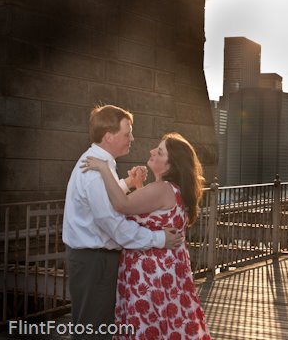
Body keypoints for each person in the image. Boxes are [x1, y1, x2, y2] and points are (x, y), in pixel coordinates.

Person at [62, 105, 183, 338]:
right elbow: (113, 224)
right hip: (95, 262)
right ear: (109, 136)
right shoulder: (95, 170)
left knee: (92, 327)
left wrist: (126, 184)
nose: (132, 138)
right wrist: (159, 238)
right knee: (93, 332)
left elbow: (103, 204)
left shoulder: (99, 163)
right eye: (127, 133)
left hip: (93, 260)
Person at [82, 132, 211, 339]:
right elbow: (151, 216)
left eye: (159, 151)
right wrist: (137, 185)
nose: (152, 151)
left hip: (150, 279)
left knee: (148, 326)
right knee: (166, 325)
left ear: (170, 165)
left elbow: (121, 205)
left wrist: (105, 169)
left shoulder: (160, 189)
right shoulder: (174, 190)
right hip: (168, 275)